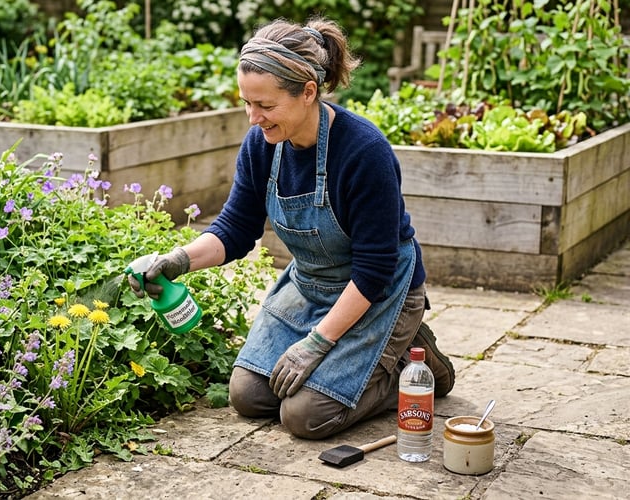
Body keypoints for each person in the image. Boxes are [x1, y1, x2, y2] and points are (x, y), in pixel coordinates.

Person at [128, 16, 455, 440]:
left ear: (308, 92)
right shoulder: (263, 144)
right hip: (311, 287)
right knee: (248, 395)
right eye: (247, 102)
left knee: (305, 417)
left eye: (265, 105)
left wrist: (316, 345)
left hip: (378, 292)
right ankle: (385, 357)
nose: (252, 118)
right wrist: (177, 260)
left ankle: (417, 370)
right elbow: (236, 229)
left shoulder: (364, 152)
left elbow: (375, 270)